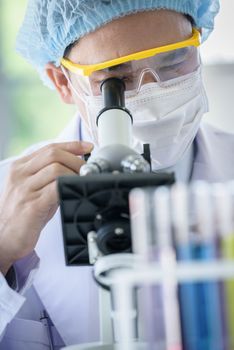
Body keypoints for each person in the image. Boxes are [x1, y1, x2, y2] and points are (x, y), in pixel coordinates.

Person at [0, 0, 233, 349]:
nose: (153, 95)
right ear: (62, 81)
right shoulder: (5, 194)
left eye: (174, 61)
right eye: (117, 78)